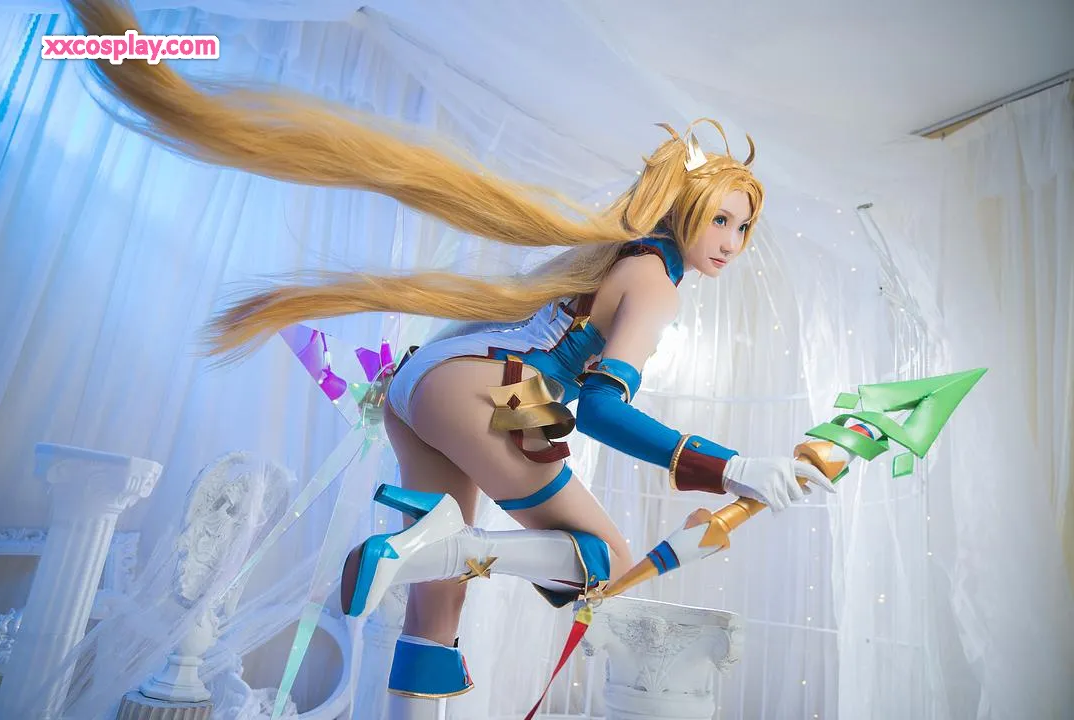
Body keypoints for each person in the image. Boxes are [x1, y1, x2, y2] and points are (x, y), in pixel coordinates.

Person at [65, 2, 836, 716]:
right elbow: (601, 409)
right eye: (721, 220)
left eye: (744, 228)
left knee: (436, 612)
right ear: (684, 211)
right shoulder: (654, 281)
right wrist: (731, 467)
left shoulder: (612, 255)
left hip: (428, 383)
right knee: (607, 558)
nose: (732, 243)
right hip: (495, 388)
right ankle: (440, 548)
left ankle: (426, 609)